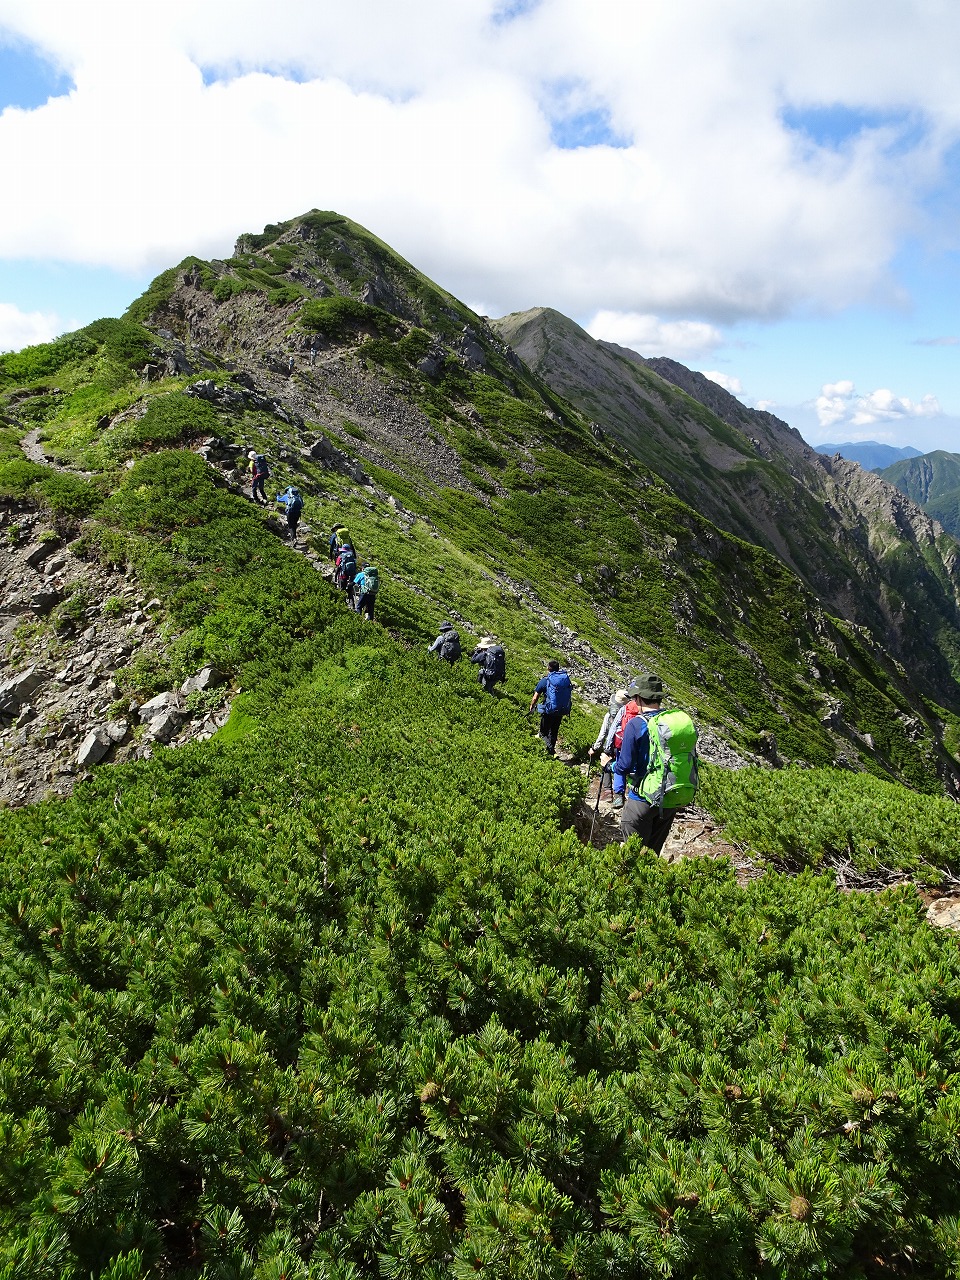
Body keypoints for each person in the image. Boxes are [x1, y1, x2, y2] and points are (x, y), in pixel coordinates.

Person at [612, 674, 697, 854]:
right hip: (669, 796)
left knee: (633, 852)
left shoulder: (636, 724)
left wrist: (609, 765)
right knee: (652, 853)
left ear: (639, 698)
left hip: (642, 799)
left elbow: (624, 766)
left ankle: (632, 881)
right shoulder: (671, 722)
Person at [588, 688, 628, 797]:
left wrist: (594, 748)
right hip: (624, 747)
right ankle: (619, 795)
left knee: (606, 764)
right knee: (621, 768)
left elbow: (602, 734)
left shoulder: (609, 715)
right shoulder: (629, 716)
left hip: (611, 746)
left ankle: (607, 791)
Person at [529, 659, 573, 756]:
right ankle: (551, 750)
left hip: (549, 710)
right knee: (554, 731)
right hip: (561, 709)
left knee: (543, 732)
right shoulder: (563, 680)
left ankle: (551, 751)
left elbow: (536, 696)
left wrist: (532, 705)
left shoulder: (545, 680)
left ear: (548, 668)